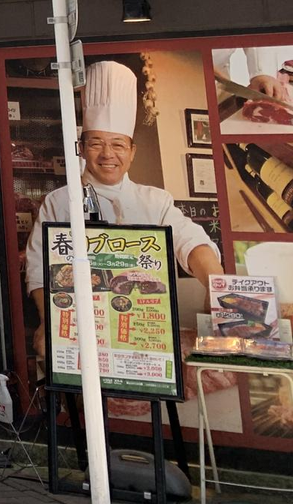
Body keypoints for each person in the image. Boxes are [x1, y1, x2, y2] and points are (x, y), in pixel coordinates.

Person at [25, 59, 221, 354]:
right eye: (96, 144)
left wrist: (216, 283)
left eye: (118, 145)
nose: (108, 154)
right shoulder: (60, 201)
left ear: (132, 152)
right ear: (81, 149)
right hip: (82, 328)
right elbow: (39, 265)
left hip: (144, 327)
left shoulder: (155, 201)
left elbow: (190, 241)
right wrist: (48, 319)